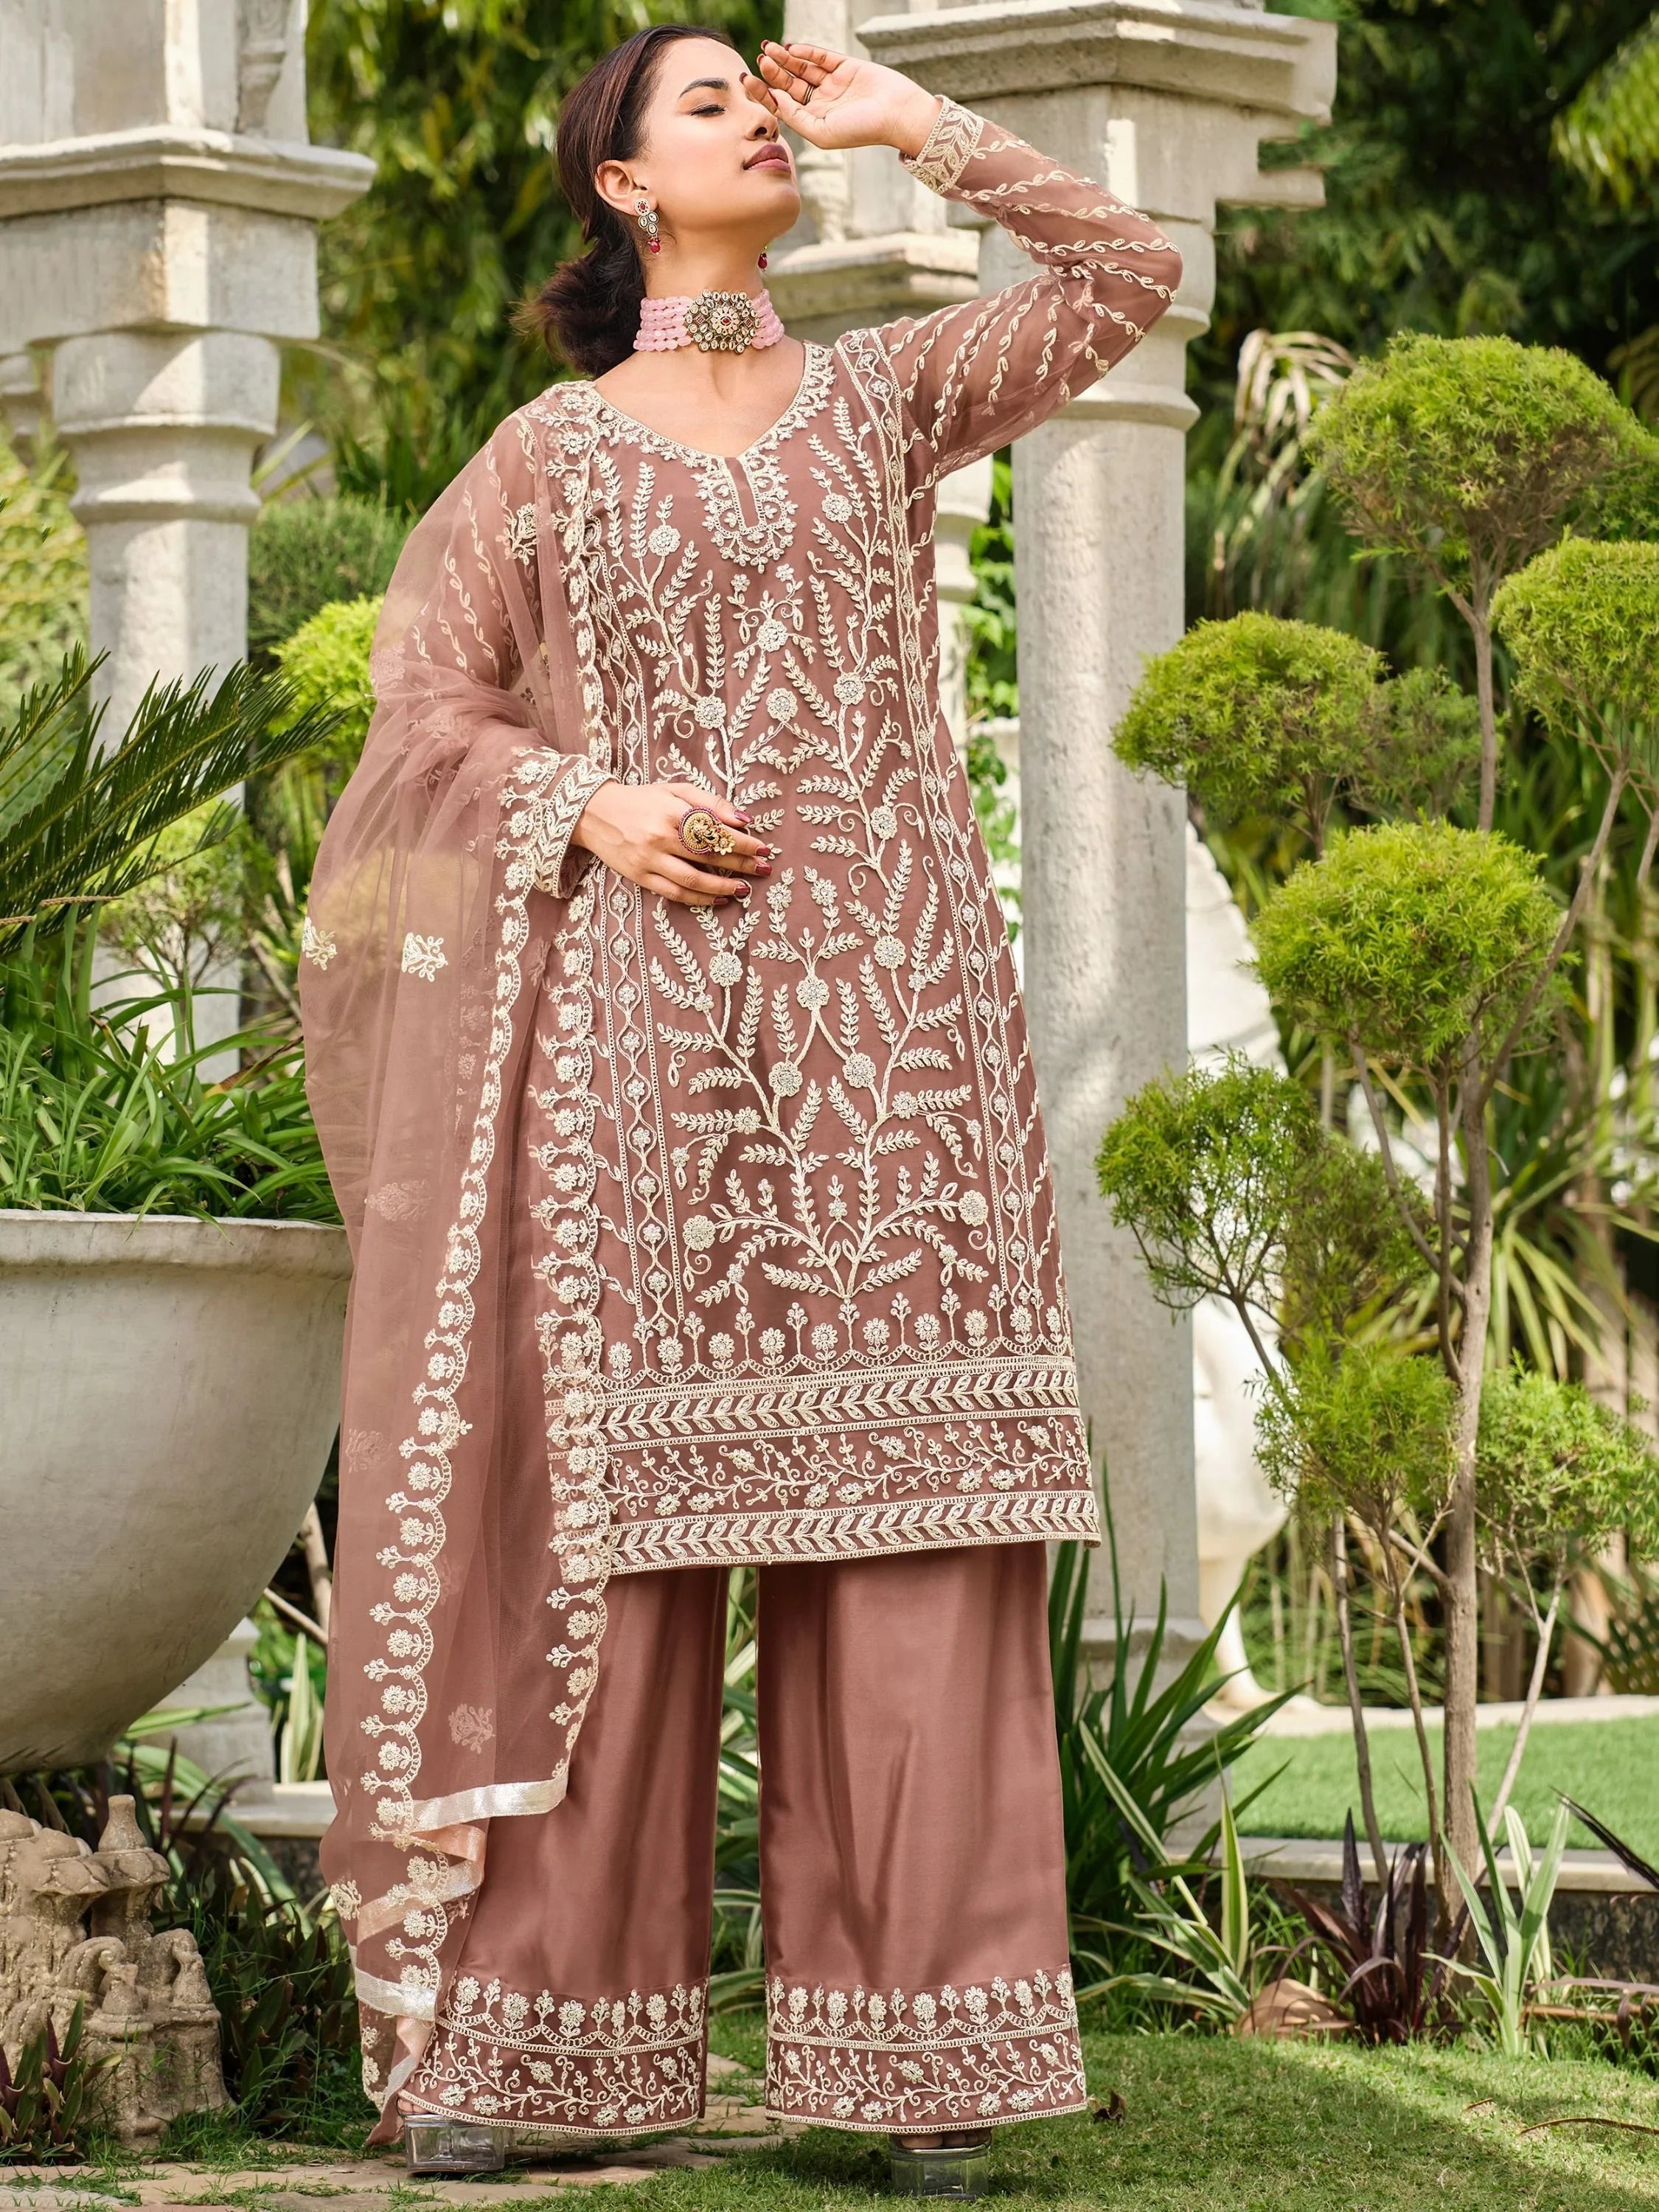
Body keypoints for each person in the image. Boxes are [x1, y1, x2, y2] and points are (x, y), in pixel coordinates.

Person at [299, 27, 1180, 2195]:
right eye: (709, 102)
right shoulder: (543, 458)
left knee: (910, 1524)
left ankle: (921, 2059)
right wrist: (580, 797)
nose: (758, 118)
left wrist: (918, 125)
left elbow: (1131, 272)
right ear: (619, 183)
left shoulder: (883, 396)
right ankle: (542, 2060)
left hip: (901, 1053)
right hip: (641, 1051)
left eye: (763, 96)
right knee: (617, 1535)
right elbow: (422, 712)